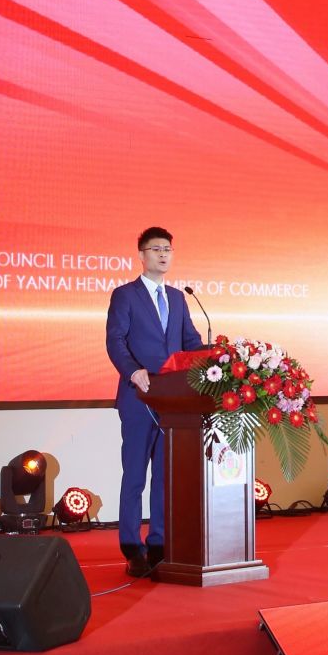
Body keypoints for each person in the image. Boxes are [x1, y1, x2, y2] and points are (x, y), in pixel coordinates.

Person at [105, 227, 203, 577]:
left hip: (172, 402)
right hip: (137, 398)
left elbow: (190, 343)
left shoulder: (177, 298)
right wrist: (133, 371)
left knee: (164, 477)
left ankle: (159, 543)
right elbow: (115, 341)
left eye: (168, 249)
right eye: (156, 249)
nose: (163, 254)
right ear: (141, 255)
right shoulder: (125, 295)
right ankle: (132, 547)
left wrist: (218, 356)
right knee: (135, 475)